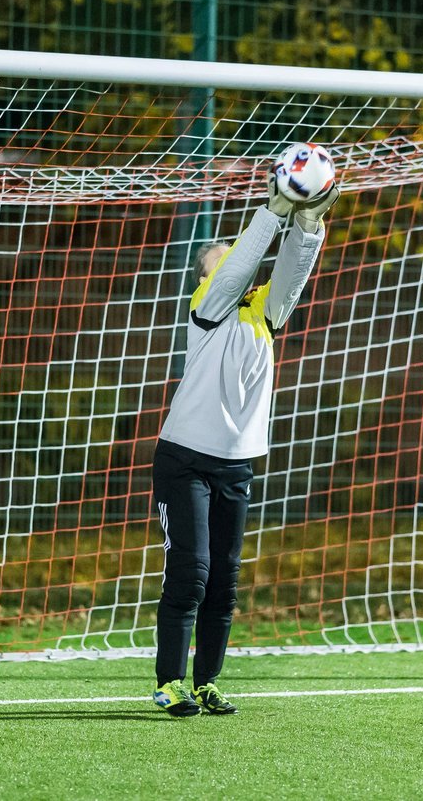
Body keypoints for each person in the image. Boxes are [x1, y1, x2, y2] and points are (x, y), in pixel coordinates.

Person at [150, 168, 339, 717]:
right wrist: (274, 209)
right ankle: (169, 682)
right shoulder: (206, 308)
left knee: (224, 582)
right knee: (191, 572)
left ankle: (207, 682)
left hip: (236, 468)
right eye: (224, 260)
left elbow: (292, 271)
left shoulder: (265, 317)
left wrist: (309, 219)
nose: (235, 265)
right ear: (206, 277)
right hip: (183, 461)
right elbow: (238, 269)